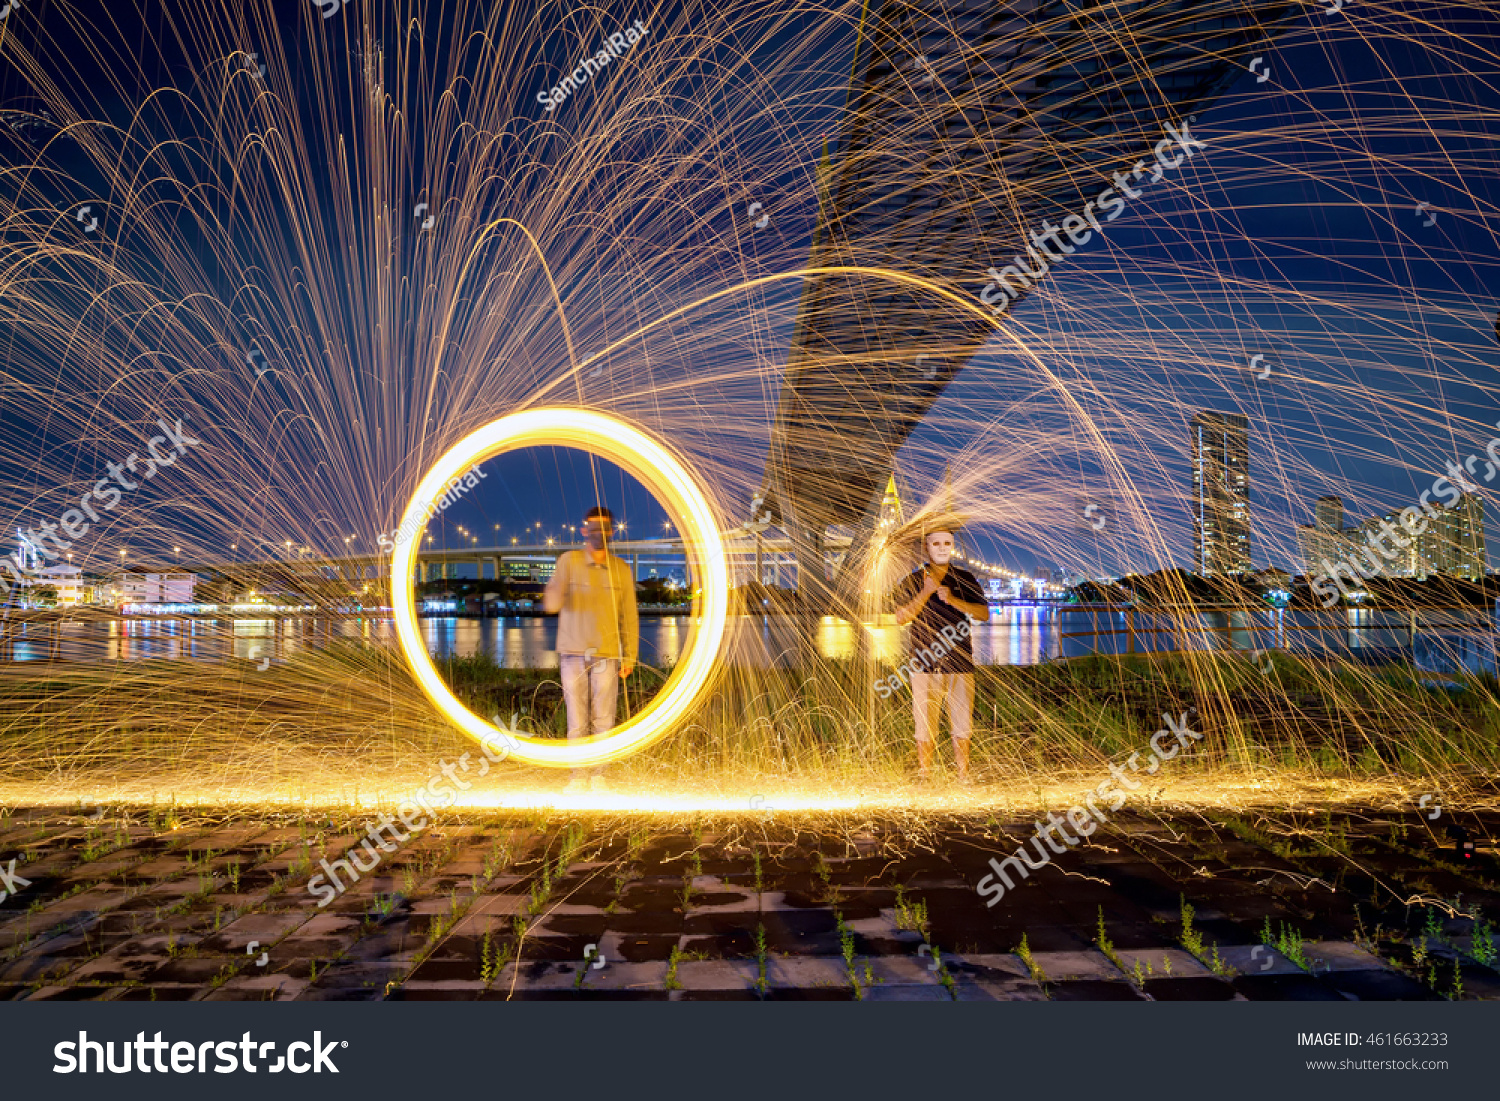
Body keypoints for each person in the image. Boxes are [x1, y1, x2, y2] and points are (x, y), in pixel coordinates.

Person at [543, 506, 638, 792]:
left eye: (604, 528)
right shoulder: (568, 562)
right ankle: (578, 776)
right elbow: (551, 604)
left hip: (607, 654)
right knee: (577, 719)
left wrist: (629, 655)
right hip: (573, 653)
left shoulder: (621, 569)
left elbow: (629, 616)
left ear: (612, 531)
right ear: (584, 531)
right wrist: (554, 594)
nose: (599, 533)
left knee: (604, 719)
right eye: (593, 528)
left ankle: (599, 775)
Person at [889, 521, 990, 784]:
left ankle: (963, 777)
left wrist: (954, 600)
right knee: (924, 723)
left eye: (947, 543)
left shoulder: (965, 579)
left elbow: (984, 614)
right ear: (926, 547)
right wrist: (926, 592)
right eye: (936, 543)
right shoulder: (913, 580)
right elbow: (901, 617)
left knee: (962, 724)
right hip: (924, 662)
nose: (942, 548)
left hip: (960, 662)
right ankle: (925, 777)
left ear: (953, 546)